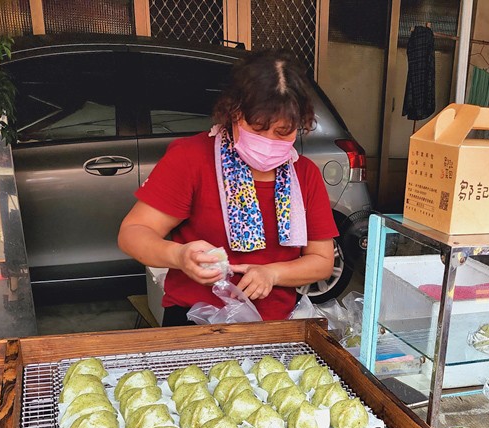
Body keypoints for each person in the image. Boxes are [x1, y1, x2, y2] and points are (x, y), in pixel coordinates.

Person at [118, 50, 338, 325]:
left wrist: (272, 273)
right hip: (195, 322)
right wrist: (179, 255)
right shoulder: (191, 159)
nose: (270, 141)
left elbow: (321, 260)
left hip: (276, 326)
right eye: (258, 129)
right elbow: (133, 233)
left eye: (284, 133)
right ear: (234, 113)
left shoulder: (304, 174)